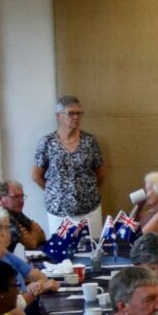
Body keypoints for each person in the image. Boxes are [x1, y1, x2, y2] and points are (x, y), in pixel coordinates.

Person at [32, 94, 105, 231]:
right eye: (71, 113)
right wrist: (55, 192)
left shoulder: (89, 141)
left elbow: (100, 172)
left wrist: (87, 190)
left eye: (79, 113)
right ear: (58, 116)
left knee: (92, 249)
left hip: (90, 209)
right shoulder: (47, 142)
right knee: (61, 251)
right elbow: (36, 176)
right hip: (58, 211)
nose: (76, 117)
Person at [0, 179, 46, 251]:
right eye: (15, 197)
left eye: (22, 196)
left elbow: (42, 235)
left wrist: (34, 234)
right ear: (0, 199)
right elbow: (31, 243)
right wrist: (35, 233)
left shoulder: (16, 212)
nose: (21, 201)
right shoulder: (2, 215)